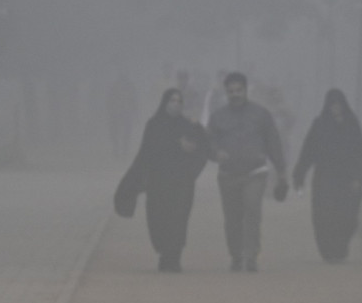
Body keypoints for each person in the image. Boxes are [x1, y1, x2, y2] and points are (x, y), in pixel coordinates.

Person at [118, 88, 209, 272]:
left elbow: (204, 144)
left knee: (179, 218)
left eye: (179, 101)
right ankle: (164, 252)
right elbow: (147, 152)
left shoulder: (187, 125)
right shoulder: (153, 125)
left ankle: (174, 257)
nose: (176, 104)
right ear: (164, 102)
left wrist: (196, 134)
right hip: (158, 181)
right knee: (159, 218)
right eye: (172, 100)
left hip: (182, 181)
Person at [206, 71, 288, 272]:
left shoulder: (261, 115)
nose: (235, 94)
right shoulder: (218, 117)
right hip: (228, 175)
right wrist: (216, 153)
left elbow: (273, 143)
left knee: (252, 211)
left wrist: (282, 171)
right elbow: (208, 143)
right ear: (226, 92)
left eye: (238, 90)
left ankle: (251, 256)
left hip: (255, 173)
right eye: (231, 91)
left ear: (245, 90)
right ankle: (236, 255)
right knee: (233, 217)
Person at [292, 88, 362, 263]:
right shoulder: (319, 125)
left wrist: (358, 178)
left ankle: (341, 247)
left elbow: (359, 154)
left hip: (347, 180)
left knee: (347, 217)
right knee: (324, 217)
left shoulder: (352, 125)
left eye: (338, 105)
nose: (336, 109)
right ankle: (328, 251)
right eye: (333, 105)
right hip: (324, 179)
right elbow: (308, 151)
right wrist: (299, 174)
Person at [106, 73, 138, 159]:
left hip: (125, 112)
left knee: (125, 132)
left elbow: (134, 100)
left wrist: (135, 111)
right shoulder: (115, 87)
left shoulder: (130, 87)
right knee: (116, 132)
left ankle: (123, 149)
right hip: (117, 112)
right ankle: (118, 149)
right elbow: (110, 99)